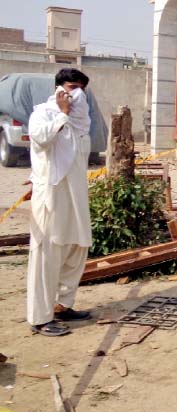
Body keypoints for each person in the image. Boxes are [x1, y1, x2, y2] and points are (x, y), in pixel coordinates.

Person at [26, 68, 93, 337]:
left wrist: (70, 116)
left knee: (77, 247)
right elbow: (40, 139)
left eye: (81, 89)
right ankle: (39, 318)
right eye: (71, 87)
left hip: (75, 195)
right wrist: (62, 114)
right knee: (47, 253)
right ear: (58, 89)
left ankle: (62, 305)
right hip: (52, 194)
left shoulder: (81, 122)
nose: (76, 94)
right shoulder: (43, 113)